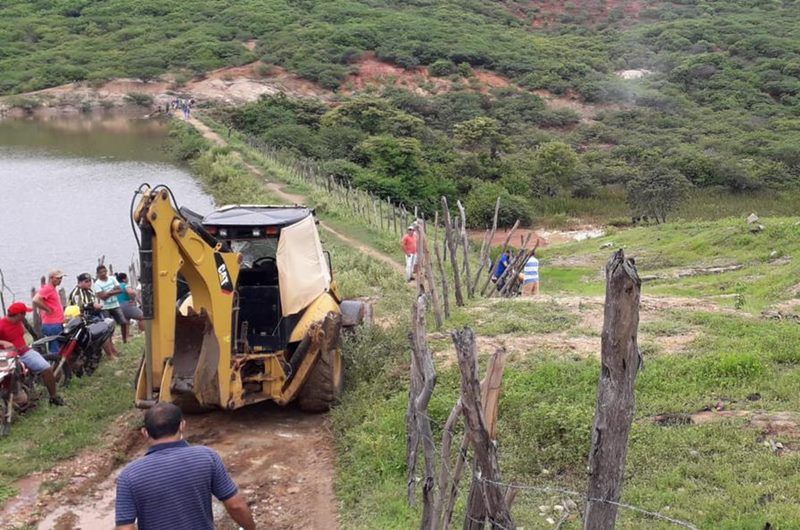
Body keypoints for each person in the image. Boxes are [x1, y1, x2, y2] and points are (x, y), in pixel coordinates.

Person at [115, 403, 256, 530]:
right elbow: (235, 505)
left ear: (145, 432)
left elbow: (125, 528)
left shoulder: (129, 475)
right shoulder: (207, 457)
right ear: (182, 425)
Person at [0, 302, 65, 406]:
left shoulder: (19, 322)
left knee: (46, 368)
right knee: (10, 378)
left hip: (25, 351)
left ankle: (53, 397)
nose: (26, 315)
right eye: (24, 313)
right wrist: (3, 342)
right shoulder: (1, 325)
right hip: (9, 356)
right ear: (19, 314)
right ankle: (14, 398)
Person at [70, 272, 119, 359]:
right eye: (86, 281)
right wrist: (92, 305)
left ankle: (112, 350)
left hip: (93, 315)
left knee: (109, 325)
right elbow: (78, 307)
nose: (89, 283)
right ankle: (110, 355)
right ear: (80, 282)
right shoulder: (76, 293)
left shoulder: (90, 291)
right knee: (103, 330)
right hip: (81, 319)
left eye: (90, 281)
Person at [32, 269, 66, 355]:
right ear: (51, 278)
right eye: (58, 278)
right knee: (55, 350)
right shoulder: (48, 288)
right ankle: (53, 367)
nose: (60, 280)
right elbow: (36, 299)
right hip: (52, 324)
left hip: (56, 323)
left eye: (61, 278)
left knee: (59, 347)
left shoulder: (52, 288)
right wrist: (47, 309)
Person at [94, 265, 127, 341]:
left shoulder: (112, 279)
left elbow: (120, 290)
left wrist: (107, 293)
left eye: (104, 271)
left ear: (106, 271)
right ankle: (110, 341)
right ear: (97, 274)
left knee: (123, 322)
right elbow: (103, 297)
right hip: (105, 307)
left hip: (115, 305)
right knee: (108, 326)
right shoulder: (97, 284)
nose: (103, 273)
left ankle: (124, 339)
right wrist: (112, 291)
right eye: (100, 272)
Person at [116, 272, 144, 342]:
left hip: (118, 306)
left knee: (126, 321)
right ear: (124, 279)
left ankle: (125, 338)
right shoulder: (125, 285)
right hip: (126, 304)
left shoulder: (116, 286)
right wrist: (132, 299)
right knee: (142, 317)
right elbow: (131, 292)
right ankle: (142, 332)